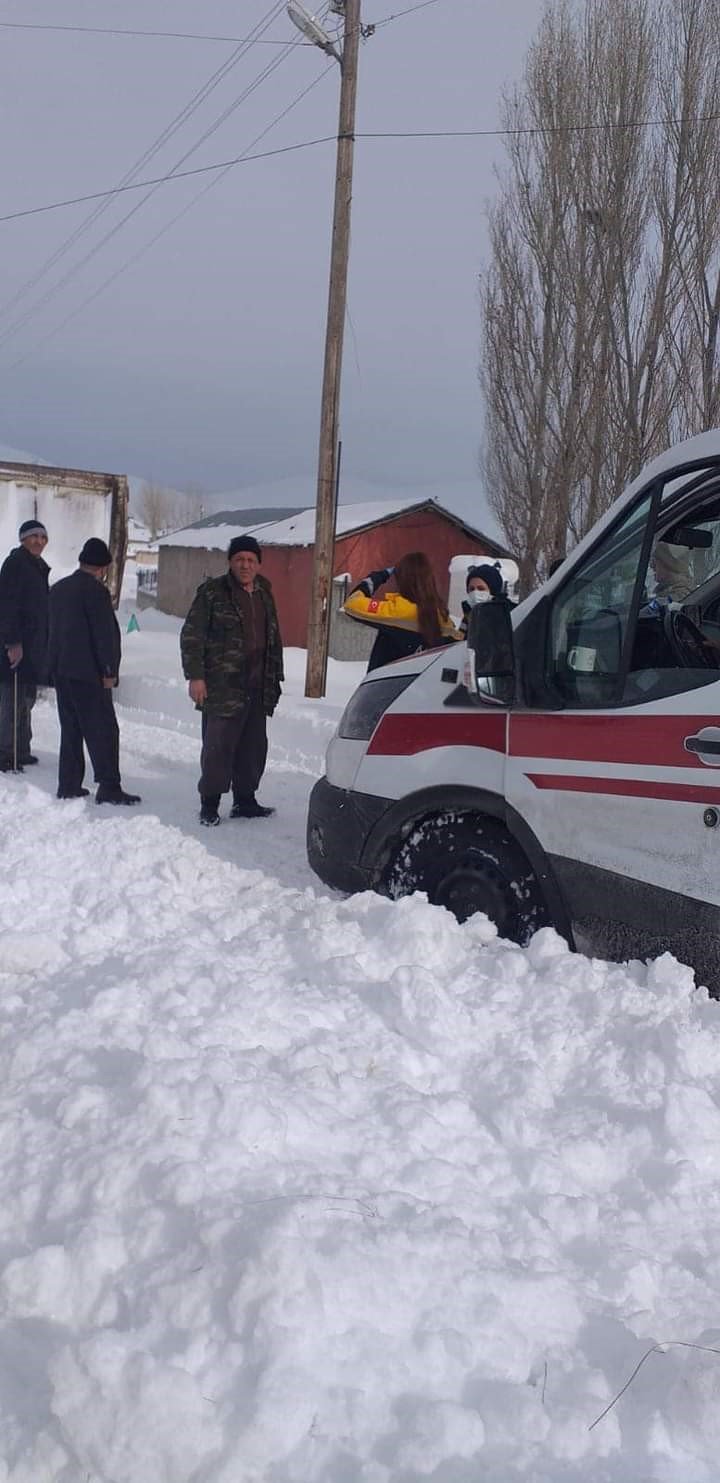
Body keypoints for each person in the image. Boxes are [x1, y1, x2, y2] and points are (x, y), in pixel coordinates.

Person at [180, 534, 284, 827]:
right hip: (222, 686)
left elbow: (273, 636)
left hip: (257, 684)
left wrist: (275, 677)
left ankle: (245, 801)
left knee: (253, 748)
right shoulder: (212, 593)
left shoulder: (265, 592)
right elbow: (192, 635)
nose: (245, 565)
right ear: (230, 561)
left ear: (259, 564)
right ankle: (210, 804)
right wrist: (195, 677)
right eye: (239, 559)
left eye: (251, 560)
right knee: (218, 748)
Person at [48, 537, 141, 805]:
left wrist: (52, 665)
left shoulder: (59, 589)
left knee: (71, 728)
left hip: (63, 670)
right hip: (89, 674)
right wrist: (109, 669)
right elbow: (104, 636)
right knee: (103, 729)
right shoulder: (97, 592)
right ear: (103, 567)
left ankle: (69, 784)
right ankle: (109, 786)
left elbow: (49, 631)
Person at [343, 552, 460, 673]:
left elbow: (352, 605)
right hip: (422, 687)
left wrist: (376, 578)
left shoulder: (398, 611)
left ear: (402, 580)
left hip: (389, 685)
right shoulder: (442, 616)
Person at [0, 518, 50, 772]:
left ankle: (21, 749)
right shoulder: (15, 565)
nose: (39, 541)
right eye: (34, 536)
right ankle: (6, 753)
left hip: (33, 647)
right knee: (12, 698)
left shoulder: (38, 567)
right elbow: (7, 606)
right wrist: (12, 642)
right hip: (15, 646)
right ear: (23, 539)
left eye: (42, 537)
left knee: (26, 700)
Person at [459, 562, 506, 635]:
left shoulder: (505, 616)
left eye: (481, 589)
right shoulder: (469, 615)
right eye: (471, 589)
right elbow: (461, 639)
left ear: (493, 591)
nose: (475, 592)